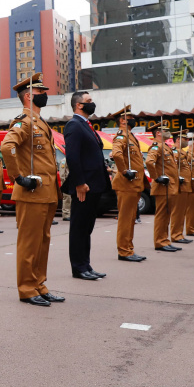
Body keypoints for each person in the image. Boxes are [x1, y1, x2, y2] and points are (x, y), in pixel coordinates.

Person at [0, 73, 64, 307]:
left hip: (46, 191)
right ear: (28, 96)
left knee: (42, 241)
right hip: (32, 191)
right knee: (30, 242)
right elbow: (7, 146)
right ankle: (27, 288)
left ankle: (40, 285)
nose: (45, 96)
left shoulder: (41, 122)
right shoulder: (24, 121)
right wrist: (18, 177)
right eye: (41, 93)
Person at [63, 91, 109, 281]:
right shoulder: (74, 125)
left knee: (87, 228)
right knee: (79, 228)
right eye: (89, 101)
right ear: (78, 105)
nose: (92, 104)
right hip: (84, 187)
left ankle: (86, 265)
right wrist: (80, 183)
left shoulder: (86, 125)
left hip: (94, 185)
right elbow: (72, 157)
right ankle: (78, 268)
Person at [108, 106, 146, 262]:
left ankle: (129, 248)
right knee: (125, 219)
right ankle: (124, 250)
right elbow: (116, 154)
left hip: (134, 184)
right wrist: (124, 171)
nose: (133, 119)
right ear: (123, 120)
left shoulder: (130, 136)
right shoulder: (121, 136)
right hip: (126, 183)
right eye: (130, 117)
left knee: (130, 218)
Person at [144, 122, 181, 253]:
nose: (168, 131)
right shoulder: (156, 146)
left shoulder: (165, 146)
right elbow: (149, 162)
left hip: (169, 187)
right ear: (158, 133)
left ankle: (164, 240)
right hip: (163, 186)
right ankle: (160, 241)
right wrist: (156, 177)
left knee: (166, 215)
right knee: (162, 215)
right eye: (165, 130)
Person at [171, 131, 194, 245]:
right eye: (185, 139)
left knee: (182, 212)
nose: (187, 141)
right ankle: (175, 234)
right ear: (178, 140)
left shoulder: (182, 153)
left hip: (185, 185)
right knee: (178, 211)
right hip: (179, 185)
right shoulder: (175, 152)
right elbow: (173, 167)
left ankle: (179, 234)